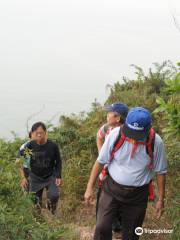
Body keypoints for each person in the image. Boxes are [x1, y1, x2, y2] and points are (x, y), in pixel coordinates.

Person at [85, 107, 167, 240]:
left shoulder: (156, 143)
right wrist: (89, 187)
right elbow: (100, 162)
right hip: (111, 189)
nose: (133, 138)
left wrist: (160, 200)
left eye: (138, 135)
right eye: (131, 133)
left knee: (132, 234)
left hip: (137, 195)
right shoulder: (115, 135)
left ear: (148, 129)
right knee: (102, 227)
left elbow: (161, 172)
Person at [96, 102, 129, 235]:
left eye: (110, 113)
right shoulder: (106, 128)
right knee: (103, 197)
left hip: (120, 173)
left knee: (119, 199)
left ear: (118, 118)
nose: (107, 115)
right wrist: (101, 152)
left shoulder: (127, 132)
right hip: (106, 171)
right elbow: (98, 136)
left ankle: (118, 227)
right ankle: (105, 225)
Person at [20, 122, 62, 214]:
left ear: (45, 133)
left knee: (54, 196)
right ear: (33, 133)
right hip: (35, 177)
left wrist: (58, 176)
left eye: (41, 132)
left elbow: (58, 161)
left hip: (50, 176)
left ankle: (51, 210)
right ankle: (39, 222)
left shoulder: (53, 146)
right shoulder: (29, 146)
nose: (39, 135)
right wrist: (24, 178)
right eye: (36, 133)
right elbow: (25, 163)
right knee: (35, 202)